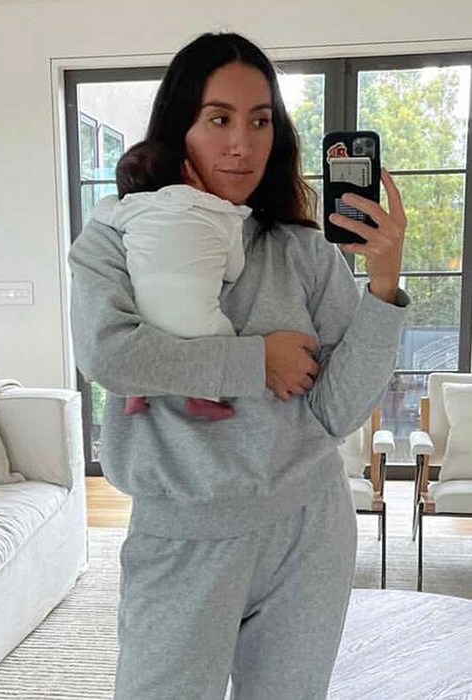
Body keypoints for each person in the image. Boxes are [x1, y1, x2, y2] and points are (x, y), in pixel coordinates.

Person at [69, 31, 408, 700]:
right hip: (185, 533)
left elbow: (338, 410)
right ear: (180, 126)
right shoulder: (116, 234)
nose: (242, 145)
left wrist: (382, 288)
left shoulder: (302, 251)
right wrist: (256, 361)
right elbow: (109, 354)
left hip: (310, 526)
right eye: (219, 118)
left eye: (260, 121)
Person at [110, 139, 251, 421]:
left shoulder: (130, 211)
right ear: (188, 169)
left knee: (139, 346)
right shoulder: (222, 212)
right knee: (224, 343)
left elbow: (102, 214)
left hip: (145, 318)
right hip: (200, 323)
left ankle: (135, 392)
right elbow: (234, 271)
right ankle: (202, 397)